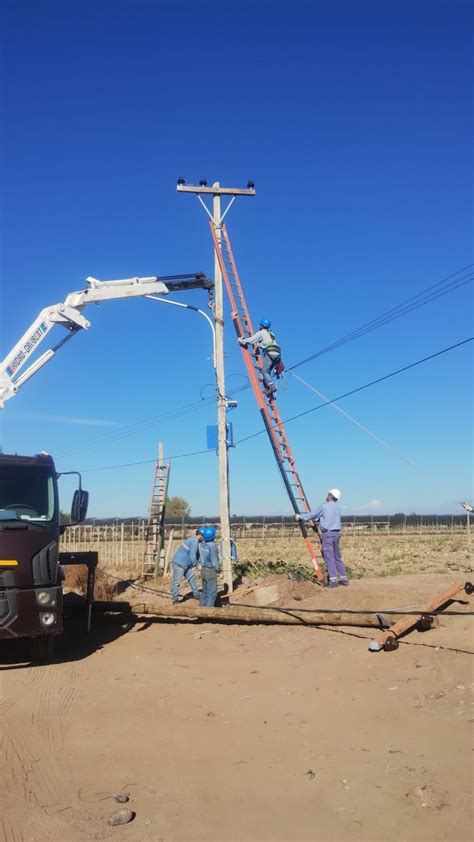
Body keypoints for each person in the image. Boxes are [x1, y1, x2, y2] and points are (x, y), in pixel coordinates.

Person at [295, 489, 349, 587]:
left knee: (329, 557)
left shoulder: (324, 506)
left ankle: (333, 581)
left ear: (331, 496)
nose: (327, 496)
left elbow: (313, 514)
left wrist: (301, 517)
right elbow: (322, 517)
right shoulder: (337, 508)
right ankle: (344, 579)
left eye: (328, 494)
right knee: (337, 557)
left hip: (327, 535)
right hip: (336, 534)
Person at [238, 318, 281, 396]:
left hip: (270, 353)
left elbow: (252, 340)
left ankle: (271, 386)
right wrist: (260, 345)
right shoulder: (271, 334)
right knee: (267, 372)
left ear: (262, 325)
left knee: (264, 371)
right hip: (277, 354)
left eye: (260, 325)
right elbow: (268, 343)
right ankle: (269, 387)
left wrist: (242, 341)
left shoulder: (261, 333)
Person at [171, 529, 203, 604]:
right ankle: (174, 599)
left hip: (185, 564)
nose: (204, 539)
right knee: (177, 582)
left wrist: (200, 562)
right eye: (203, 537)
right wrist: (197, 565)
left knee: (191, 578)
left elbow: (196, 555)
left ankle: (197, 594)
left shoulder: (193, 540)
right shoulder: (194, 541)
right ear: (200, 535)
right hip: (179, 564)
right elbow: (193, 556)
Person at [199, 526, 221, 607]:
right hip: (211, 571)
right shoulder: (212, 546)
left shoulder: (202, 544)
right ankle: (208, 614)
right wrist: (218, 569)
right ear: (213, 536)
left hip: (203, 570)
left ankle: (201, 611)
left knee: (204, 591)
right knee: (211, 593)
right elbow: (214, 561)